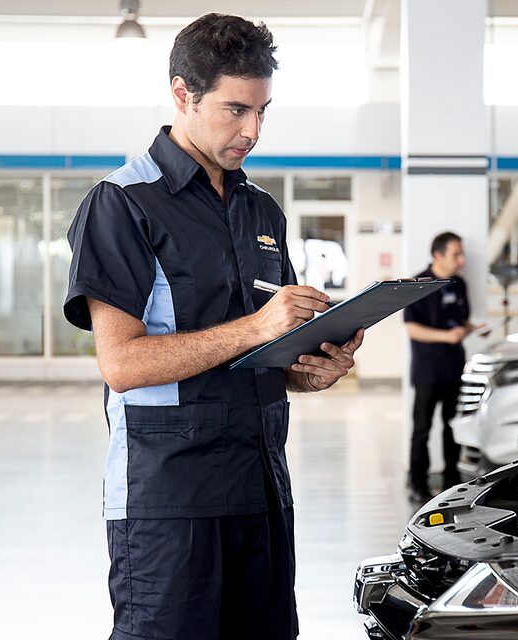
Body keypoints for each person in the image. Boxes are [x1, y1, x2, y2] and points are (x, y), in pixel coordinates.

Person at [62, 14, 363, 640]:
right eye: (235, 110)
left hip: (261, 490)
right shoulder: (121, 205)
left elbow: (269, 359)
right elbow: (122, 365)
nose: (252, 131)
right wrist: (256, 328)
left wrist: (315, 365)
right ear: (182, 94)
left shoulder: (261, 209)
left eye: (263, 111)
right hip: (168, 503)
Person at [403, 232, 482, 502]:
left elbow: (460, 323)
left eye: (462, 255)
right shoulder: (418, 284)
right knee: (422, 429)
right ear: (438, 255)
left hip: (454, 368)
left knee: (452, 428)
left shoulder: (459, 284)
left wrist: (474, 329)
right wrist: (446, 337)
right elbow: (412, 329)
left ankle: (452, 482)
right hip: (427, 371)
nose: (461, 261)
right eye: (455, 255)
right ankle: (418, 484)